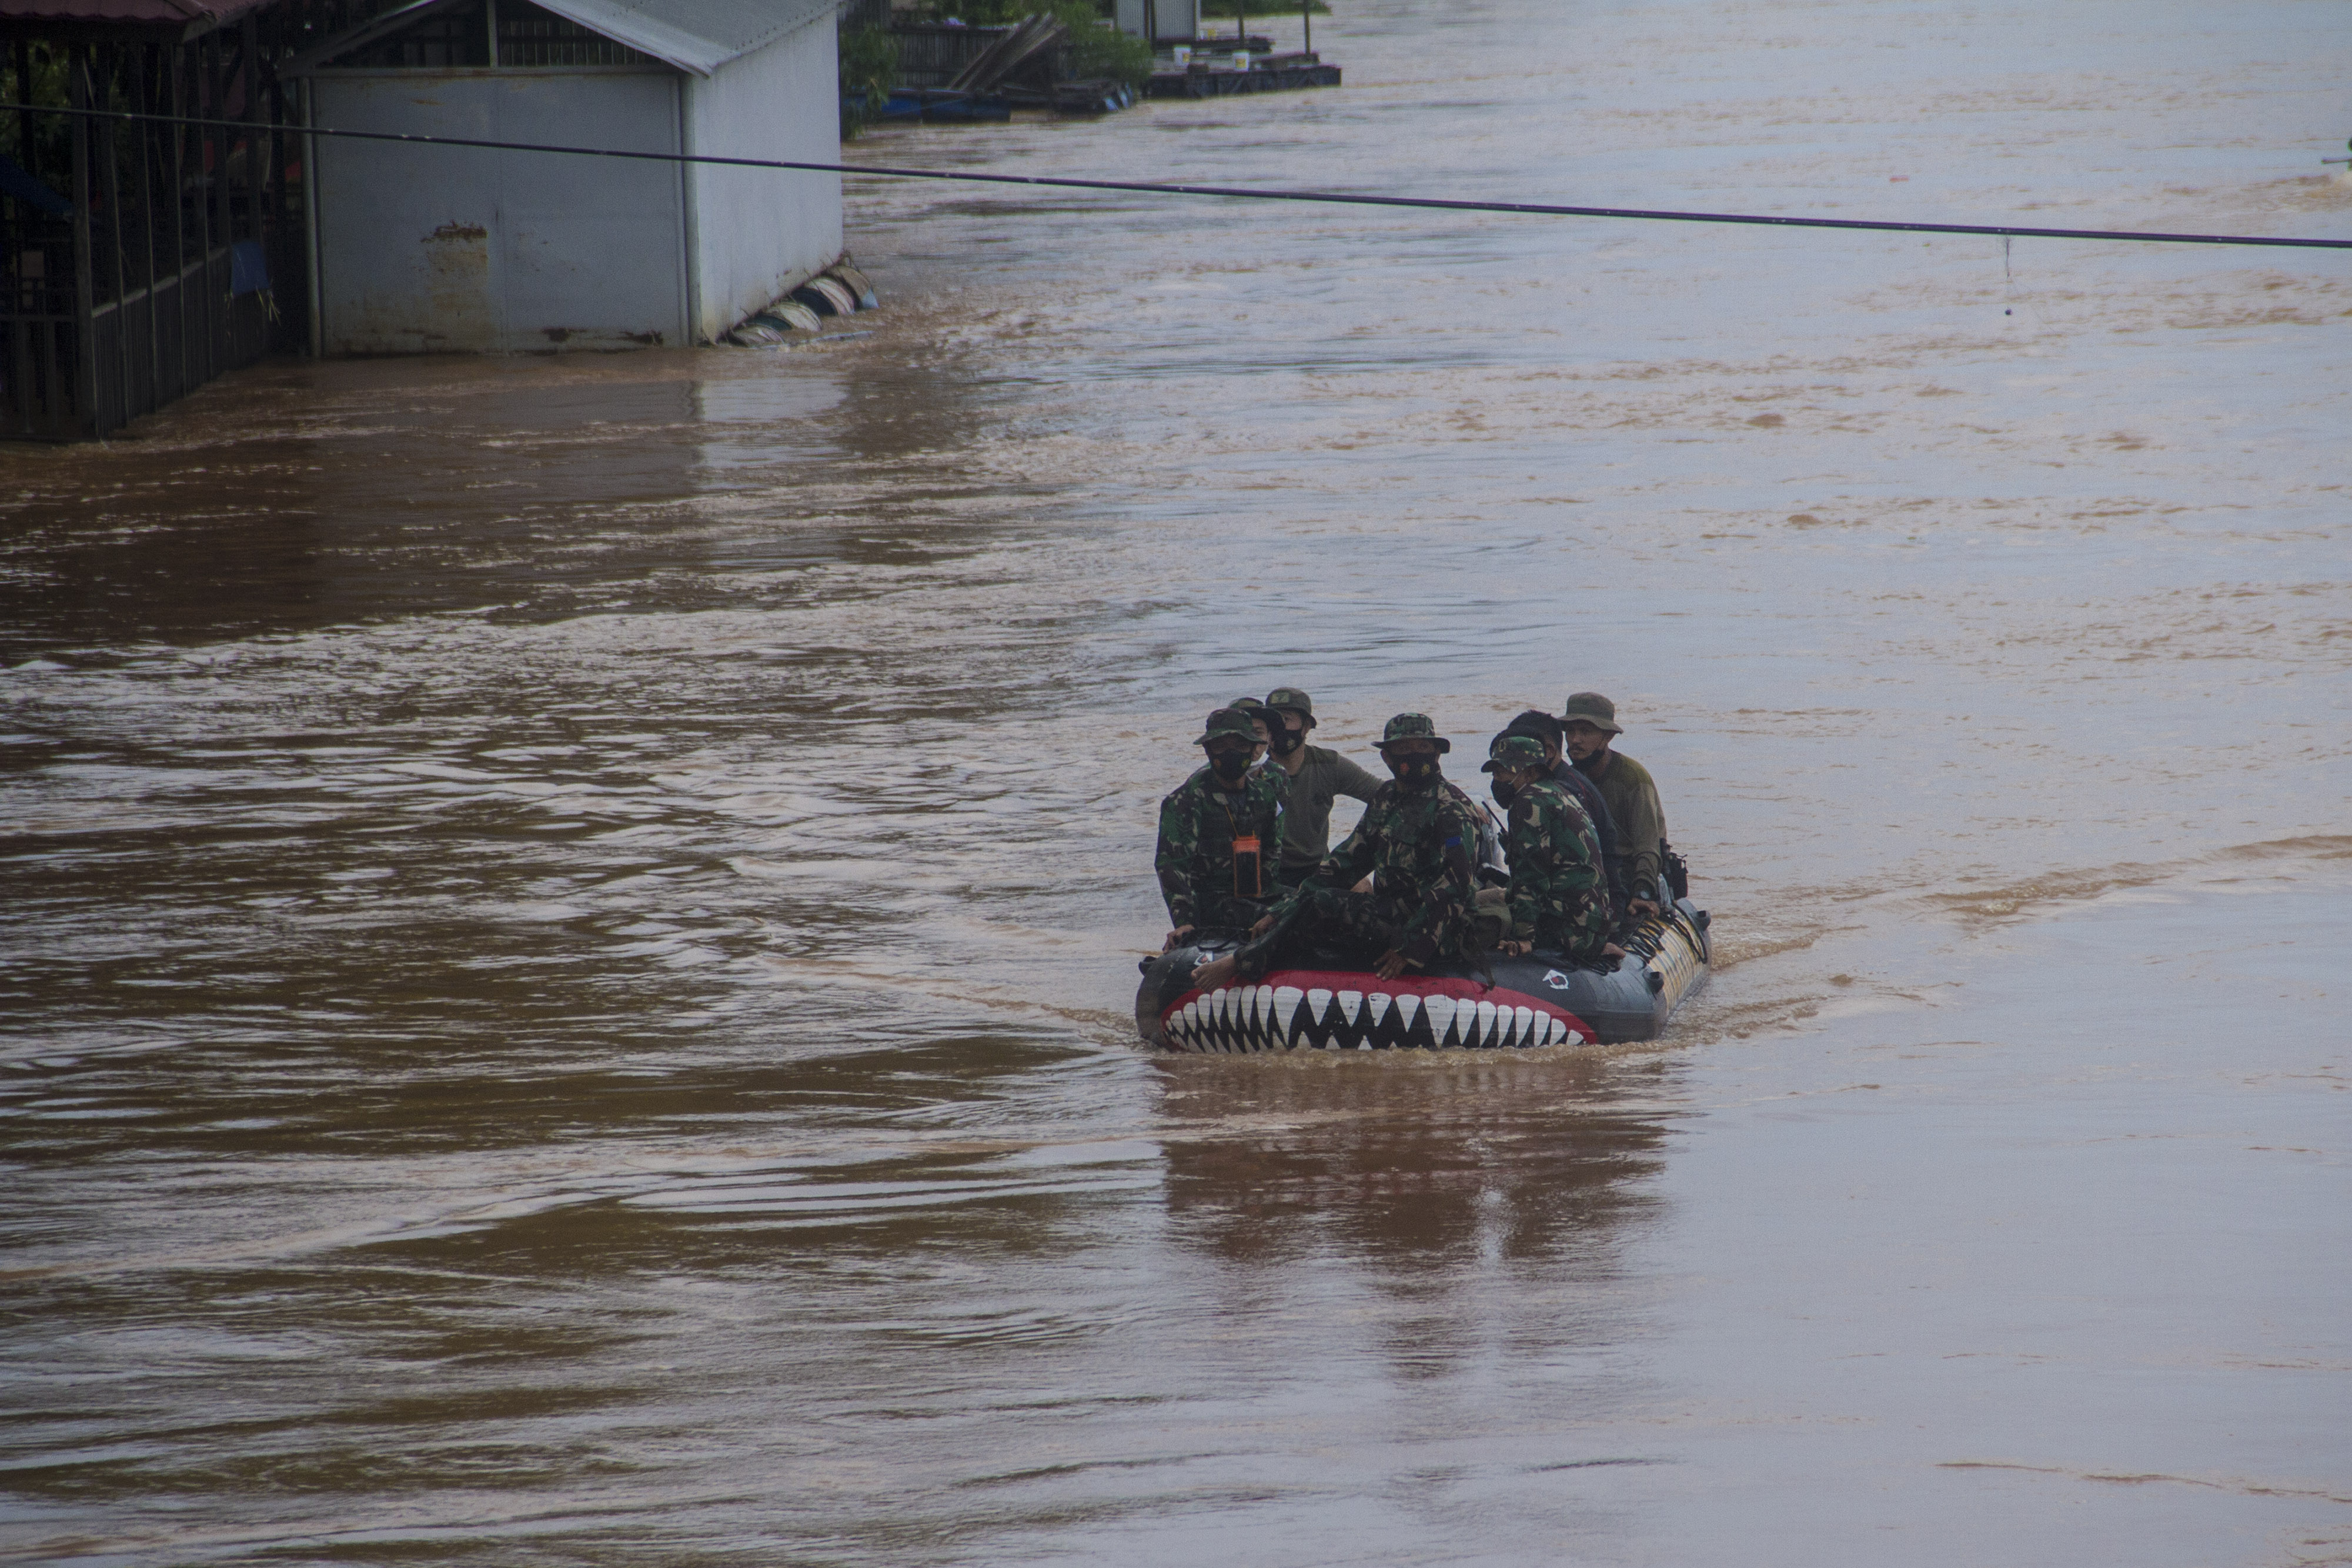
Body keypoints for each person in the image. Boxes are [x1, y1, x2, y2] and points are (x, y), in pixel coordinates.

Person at [1191, 714, 1484, 989]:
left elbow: (1456, 886)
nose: (1415, 755)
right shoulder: (1388, 798)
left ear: (1436, 754)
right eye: (1404, 749)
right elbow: (1346, 862)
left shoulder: (1450, 808)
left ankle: (1240, 963)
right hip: (1394, 913)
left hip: (1439, 931)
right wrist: (1282, 912)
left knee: (1324, 904)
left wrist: (1411, 948)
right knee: (1306, 904)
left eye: (1423, 748)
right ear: (1387, 757)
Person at [1155, 707, 1288, 952]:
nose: (1231, 754)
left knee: (1305, 905)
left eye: (1239, 745)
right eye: (1221, 747)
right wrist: (1185, 922)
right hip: (1211, 902)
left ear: (1252, 748)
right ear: (1208, 751)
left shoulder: (1265, 795)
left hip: (1257, 895)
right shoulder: (1185, 801)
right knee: (1274, 916)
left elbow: (1272, 852)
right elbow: (1172, 866)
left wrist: (1275, 896)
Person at [1481, 734, 1612, 964]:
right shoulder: (1560, 793)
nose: (1497, 780)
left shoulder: (1529, 802)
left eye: (1502, 773)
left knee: (1472, 918)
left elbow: (1531, 876)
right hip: (1588, 922)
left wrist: (1523, 937)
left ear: (1529, 773)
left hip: (1564, 929)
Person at [1498, 708, 1629, 918]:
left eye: (1517, 754)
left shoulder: (1553, 796)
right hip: (1587, 905)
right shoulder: (1560, 784)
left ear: (1548, 751)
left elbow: (1534, 877)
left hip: (1590, 910)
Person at [1261, 686, 1385, 888]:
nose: (1279, 728)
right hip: (1270, 871)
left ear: (1307, 726)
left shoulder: (1328, 765)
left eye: (1286, 719)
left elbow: (1384, 794)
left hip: (1317, 868)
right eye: (1273, 721)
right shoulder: (1255, 771)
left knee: (1362, 888)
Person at [1560, 691, 1669, 919]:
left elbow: (1648, 845)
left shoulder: (1632, 779)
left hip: (1624, 874)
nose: (1575, 740)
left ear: (1607, 737)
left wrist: (1642, 892)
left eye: (1586, 732)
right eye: (1571, 731)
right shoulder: (1564, 780)